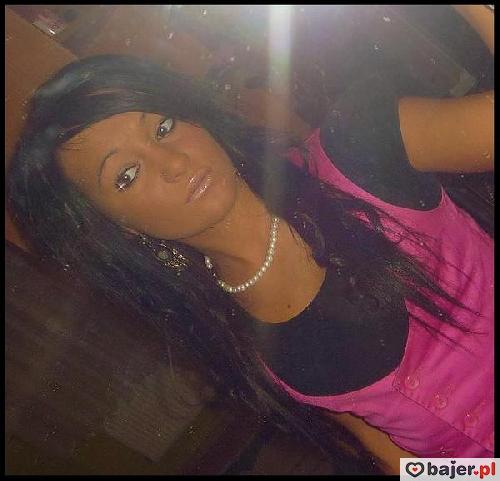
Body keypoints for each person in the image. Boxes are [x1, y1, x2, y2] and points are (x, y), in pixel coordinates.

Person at [6, 4, 493, 475]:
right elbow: (395, 456)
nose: (173, 162)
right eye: (127, 175)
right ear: (118, 227)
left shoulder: (356, 146)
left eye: (163, 126)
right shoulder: (234, 334)